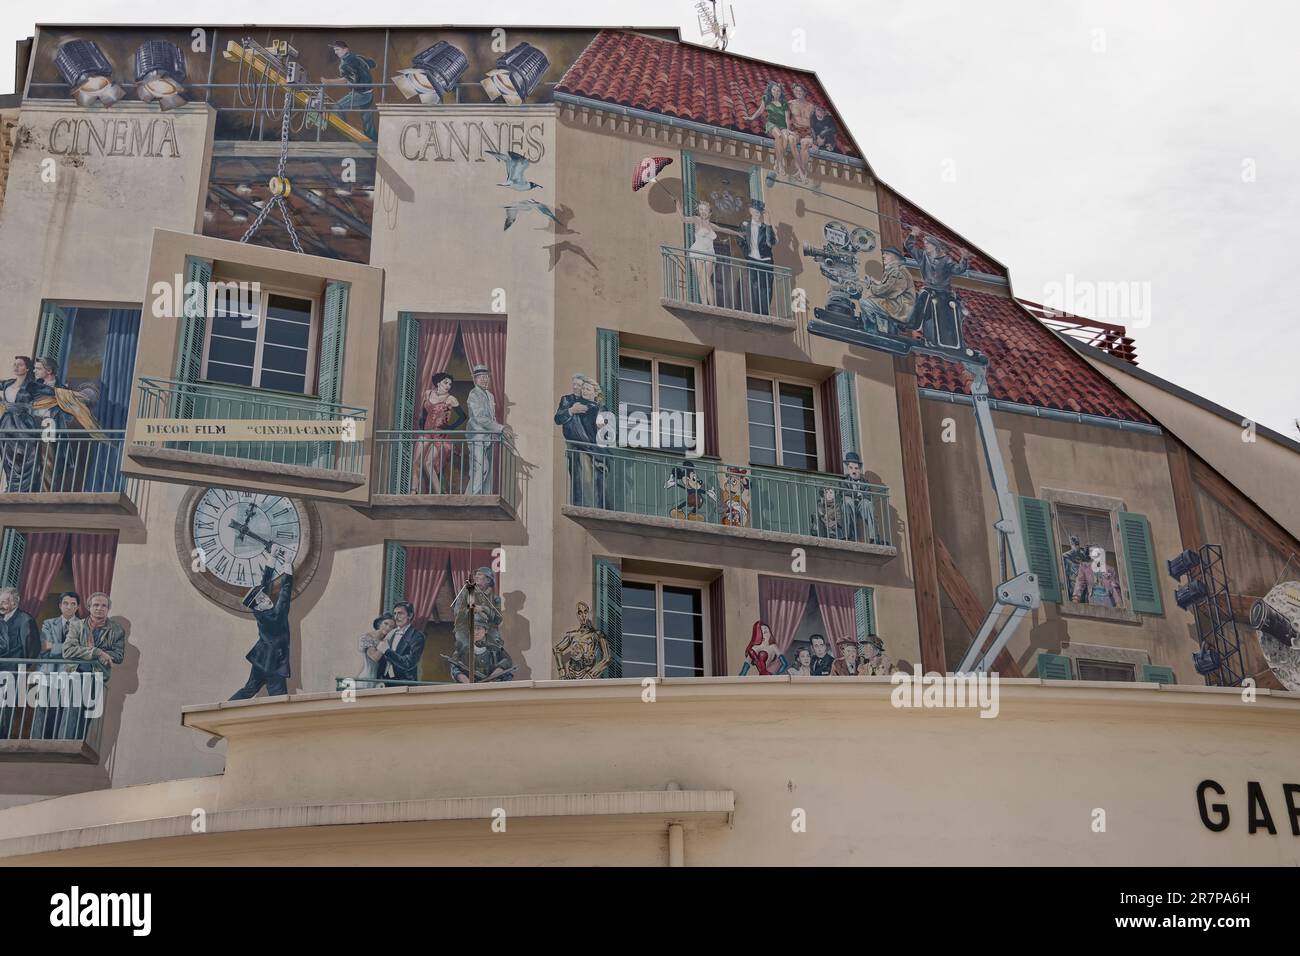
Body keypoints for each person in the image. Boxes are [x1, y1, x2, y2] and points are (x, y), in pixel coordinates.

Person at [61, 592, 125, 739]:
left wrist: (105, 655)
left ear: (108, 609)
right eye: (96, 605)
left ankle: (76, 745)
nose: (99, 608)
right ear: (89, 607)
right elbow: (67, 650)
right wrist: (96, 652)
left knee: (87, 715)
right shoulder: (77, 626)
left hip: (97, 676)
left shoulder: (117, 630)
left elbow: (119, 656)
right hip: (76, 673)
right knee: (72, 711)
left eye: (104, 606)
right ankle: (65, 743)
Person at [229, 566, 294, 700]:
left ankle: (225, 710)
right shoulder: (275, 616)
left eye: (264, 596)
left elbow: (264, 587)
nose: (266, 599)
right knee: (279, 700)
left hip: (260, 660)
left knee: (249, 690)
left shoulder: (260, 613)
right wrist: (288, 570)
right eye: (261, 600)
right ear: (258, 606)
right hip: (274, 663)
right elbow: (285, 596)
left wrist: (271, 561)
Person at [904, 225, 972, 349]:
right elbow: (909, 247)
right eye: (925, 243)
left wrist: (964, 258)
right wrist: (913, 234)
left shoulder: (946, 260)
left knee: (948, 312)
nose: (925, 246)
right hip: (929, 291)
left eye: (928, 244)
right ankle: (913, 324)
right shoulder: (923, 256)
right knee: (923, 298)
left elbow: (959, 269)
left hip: (944, 294)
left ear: (935, 246)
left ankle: (949, 340)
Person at [0, 356, 51, 493]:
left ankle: (25, 488)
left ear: (27, 368)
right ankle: (12, 486)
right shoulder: (7, 384)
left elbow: (53, 392)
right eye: (15, 364)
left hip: (24, 425)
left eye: (20, 365)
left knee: (28, 457)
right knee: (9, 458)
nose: (16, 367)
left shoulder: (32, 385)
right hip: (6, 425)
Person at [678, 200, 742, 308]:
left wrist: (737, 233)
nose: (702, 212)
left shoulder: (712, 226)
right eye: (701, 209)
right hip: (697, 252)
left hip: (709, 253)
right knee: (700, 279)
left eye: (705, 210)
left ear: (710, 212)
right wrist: (678, 206)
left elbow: (724, 230)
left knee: (706, 278)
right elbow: (683, 219)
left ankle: (712, 305)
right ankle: (704, 304)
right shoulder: (696, 220)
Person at [35, 591, 79, 739]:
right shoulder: (48, 623)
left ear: (77, 607)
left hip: (69, 673)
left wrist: (53, 647)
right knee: (42, 710)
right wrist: (69, 649)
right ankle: (36, 743)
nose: (69, 607)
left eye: (73, 604)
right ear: (60, 605)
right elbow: (43, 647)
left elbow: (78, 650)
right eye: (66, 603)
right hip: (48, 672)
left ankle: (59, 743)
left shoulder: (82, 626)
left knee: (63, 710)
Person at [465, 365, 514, 496]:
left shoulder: (490, 395)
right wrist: (501, 428)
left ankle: (478, 497)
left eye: (486, 377)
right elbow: (480, 418)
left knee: (486, 471)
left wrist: (498, 431)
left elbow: (491, 417)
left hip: (488, 438)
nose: (485, 380)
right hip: (477, 437)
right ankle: (473, 498)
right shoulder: (474, 394)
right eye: (481, 377)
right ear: (475, 379)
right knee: (481, 468)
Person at [416, 371, 464, 494]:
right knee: (416, 461)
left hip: (439, 434)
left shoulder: (451, 399)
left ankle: (438, 493)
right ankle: (414, 490)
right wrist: (421, 427)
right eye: (445, 382)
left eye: (450, 384)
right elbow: (424, 413)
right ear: (438, 383)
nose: (448, 385)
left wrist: (451, 427)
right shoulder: (428, 393)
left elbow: (463, 416)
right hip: (426, 433)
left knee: (428, 463)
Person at [0, 586, 38, 738]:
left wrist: (21, 666)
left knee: (7, 705)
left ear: (15, 602)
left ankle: (3, 738)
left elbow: (32, 649)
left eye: (5, 601)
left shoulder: (25, 620)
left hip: (14, 671)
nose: (1, 605)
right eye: (0, 601)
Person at [322, 39, 378, 141]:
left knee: (337, 107)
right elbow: (373, 64)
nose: (336, 52)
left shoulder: (345, 64)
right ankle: (373, 142)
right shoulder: (358, 57)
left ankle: (346, 135)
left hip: (360, 94)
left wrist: (328, 82)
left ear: (345, 49)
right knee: (367, 121)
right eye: (335, 50)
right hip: (369, 93)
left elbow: (346, 80)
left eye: (337, 49)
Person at [555, 373, 595, 505]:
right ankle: (578, 503)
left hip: (588, 444)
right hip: (573, 443)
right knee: (576, 476)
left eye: (578, 385)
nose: (576, 388)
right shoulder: (566, 399)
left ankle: (587, 504)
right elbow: (558, 419)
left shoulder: (589, 402)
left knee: (588, 477)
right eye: (574, 385)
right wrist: (571, 410)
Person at [859, 248, 917, 335]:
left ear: (895, 257)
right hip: (897, 305)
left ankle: (871, 331)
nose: (883, 256)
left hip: (900, 309)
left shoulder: (898, 272)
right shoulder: (896, 270)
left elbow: (888, 291)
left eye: (887, 254)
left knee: (865, 302)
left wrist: (872, 287)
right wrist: (876, 282)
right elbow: (890, 285)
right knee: (872, 300)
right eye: (883, 253)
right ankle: (882, 329)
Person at [736, 198, 778, 315]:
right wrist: (747, 254)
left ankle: (764, 312)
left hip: (766, 260)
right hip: (752, 260)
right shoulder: (745, 226)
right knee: (755, 286)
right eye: (756, 212)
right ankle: (757, 312)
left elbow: (771, 242)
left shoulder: (766, 227)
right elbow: (739, 240)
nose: (758, 215)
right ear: (751, 211)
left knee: (767, 287)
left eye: (760, 212)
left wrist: (769, 225)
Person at [451, 567, 504, 654]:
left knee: (497, 646)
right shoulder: (465, 593)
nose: (476, 577)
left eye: (479, 574)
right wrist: (470, 610)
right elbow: (457, 612)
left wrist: (483, 609)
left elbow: (498, 619)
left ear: (487, 580)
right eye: (476, 574)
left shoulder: (495, 599)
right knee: (462, 645)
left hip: (487, 629)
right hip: (466, 627)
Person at [746, 81, 792, 178]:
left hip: (782, 125)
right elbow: (760, 110)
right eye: (774, 90)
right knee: (778, 136)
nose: (776, 92)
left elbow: (787, 118)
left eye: (778, 91)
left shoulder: (784, 103)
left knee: (785, 138)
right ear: (771, 90)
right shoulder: (766, 99)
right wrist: (752, 117)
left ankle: (777, 161)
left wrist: (788, 129)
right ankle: (780, 165)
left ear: (781, 93)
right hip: (771, 124)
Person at [450, 616, 514, 683]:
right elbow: (454, 667)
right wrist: (465, 680)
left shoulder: (495, 648)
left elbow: (507, 661)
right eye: (473, 629)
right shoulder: (462, 649)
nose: (475, 632)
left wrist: (494, 676)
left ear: (486, 630)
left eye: (478, 628)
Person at [376, 601, 425, 684]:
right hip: (385, 681)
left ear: (410, 615)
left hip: (405, 684)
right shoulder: (391, 633)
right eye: (395, 613)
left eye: (400, 613)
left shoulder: (417, 636)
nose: (396, 617)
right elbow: (383, 660)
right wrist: (379, 679)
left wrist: (387, 651)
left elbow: (409, 663)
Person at [840, 452, 880, 544]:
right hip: (850, 505)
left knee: (868, 504)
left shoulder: (865, 482)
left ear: (859, 469)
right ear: (848, 469)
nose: (853, 471)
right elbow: (844, 492)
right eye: (851, 468)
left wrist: (859, 495)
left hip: (861, 505)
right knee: (847, 501)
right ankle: (849, 536)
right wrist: (857, 494)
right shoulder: (844, 481)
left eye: (856, 468)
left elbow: (868, 495)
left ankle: (874, 537)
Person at [786, 82, 817, 184]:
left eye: (800, 91)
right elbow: (786, 119)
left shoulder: (811, 106)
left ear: (804, 92)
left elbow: (815, 124)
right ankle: (802, 172)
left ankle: (801, 172)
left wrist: (815, 141)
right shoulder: (790, 104)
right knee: (791, 140)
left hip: (807, 130)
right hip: (795, 129)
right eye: (796, 91)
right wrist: (788, 130)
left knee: (806, 144)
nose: (798, 92)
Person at [357, 613, 395, 686]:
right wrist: (385, 642)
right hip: (367, 679)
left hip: (379, 681)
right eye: (386, 624)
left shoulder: (388, 641)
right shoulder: (367, 638)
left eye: (391, 627)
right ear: (379, 623)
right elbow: (375, 657)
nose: (388, 628)